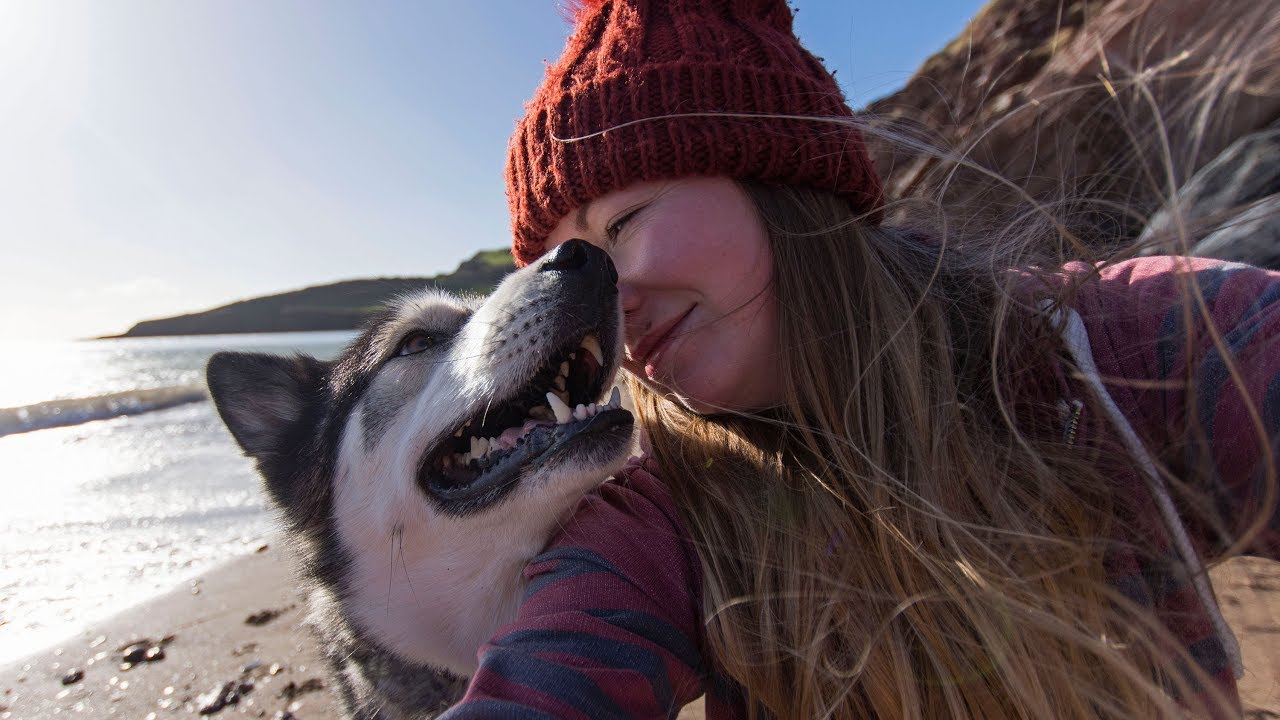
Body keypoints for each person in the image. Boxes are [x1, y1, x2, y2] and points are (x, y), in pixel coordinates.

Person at [441, 0, 1280, 717]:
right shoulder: (662, 518)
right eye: (576, 282)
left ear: (775, 176)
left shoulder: (1122, 348)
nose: (609, 311)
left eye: (622, 225)